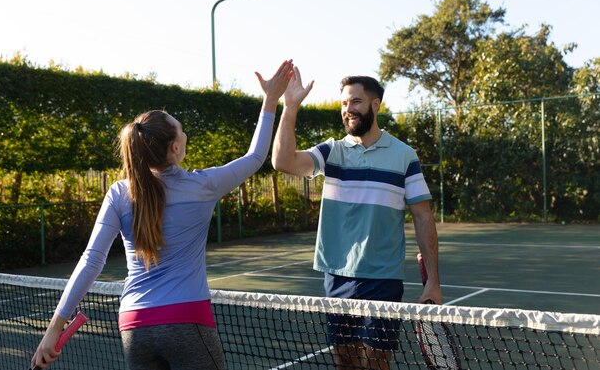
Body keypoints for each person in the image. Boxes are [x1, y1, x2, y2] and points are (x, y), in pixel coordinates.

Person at [30, 60, 294, 370]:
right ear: (174, 148)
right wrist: (270, 100)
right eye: (181, 130)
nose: (185, 133)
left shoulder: (118, 192)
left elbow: (91, 261)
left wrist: (53, 328)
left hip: (134, 325)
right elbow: (256, 156)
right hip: (187, 321)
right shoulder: (203, 186)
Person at [271, 67, 442, 370]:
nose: (348, 110)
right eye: (344, 104)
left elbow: (423, 216)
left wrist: (433, 282)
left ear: (375, 105)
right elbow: (282, 161)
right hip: (336, 276)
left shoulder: (404, 156)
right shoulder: (331, 152)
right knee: (345, 362)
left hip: (383, 279)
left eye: (355, 102)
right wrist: (290, 106)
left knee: (376, 363)